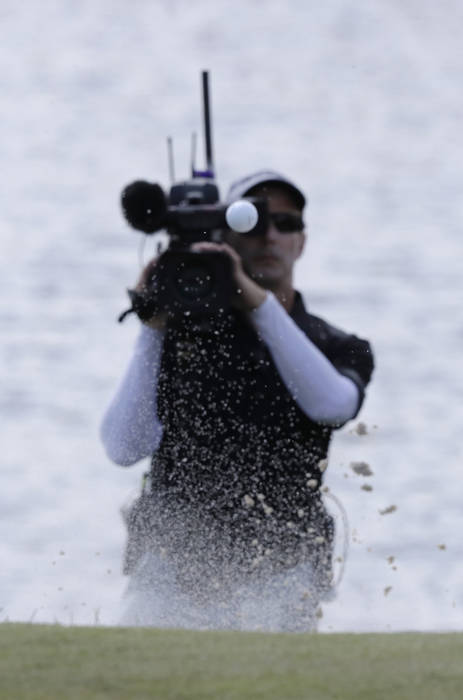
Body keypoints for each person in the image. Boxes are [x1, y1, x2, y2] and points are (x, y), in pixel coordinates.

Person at [100, 169, 374, 631]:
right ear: (226, 238)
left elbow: (333, 406)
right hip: (170, 559)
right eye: (254, 223)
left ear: (302, 242)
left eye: (285, 224)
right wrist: (153, 328)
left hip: (283, 562)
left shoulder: (337, 345)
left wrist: (256, 303)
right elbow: (123, 448)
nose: (269, 235)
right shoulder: (181, 337)